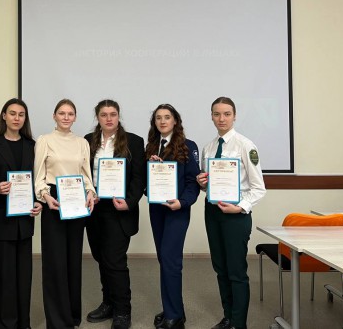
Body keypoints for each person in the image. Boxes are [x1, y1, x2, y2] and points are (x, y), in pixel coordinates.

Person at [197, 97, 266, 329]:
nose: (222, 118)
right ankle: (228, 316)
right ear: (211, 117)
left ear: (234, 116)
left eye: (227, 114)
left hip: (236, 215)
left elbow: (258, 188)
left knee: (236, 270)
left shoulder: (246, 146)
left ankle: (238, 323)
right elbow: (209, 185)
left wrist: (240, 207)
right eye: (217, 114)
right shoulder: (208, 148)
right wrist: (202, 183)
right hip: (212, 212)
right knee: (220, 268)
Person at [0, 98, 42, 329]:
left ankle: (22, 323)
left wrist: (38, 202)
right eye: (12, 113)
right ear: (4, 116)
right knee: (2, 277)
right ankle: (1, 324)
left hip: (24, 221)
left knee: (23, 277)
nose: (17, 118)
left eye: (21, 114)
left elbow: (37, 180)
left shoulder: (32, 145)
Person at [33, 98, 96, 329]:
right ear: (54, 116)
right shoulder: (44, 140)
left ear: (75, 117)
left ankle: (72, 315)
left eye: (70, 113)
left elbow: (86, 174)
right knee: (55, 261)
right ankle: (57, 320)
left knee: (72, 259)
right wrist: (44, 195)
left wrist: (90, 192)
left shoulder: (82, 143)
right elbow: (38, 175)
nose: (66, 117)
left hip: (77, 200)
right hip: (55, 200)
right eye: (62, 113)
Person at [84, 99, 145, 329]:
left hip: (119, 209)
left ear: (119, 116)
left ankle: (122, 311)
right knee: (101, 257)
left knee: (115, 260)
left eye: (113, 114)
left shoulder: (133, 141)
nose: (109, 118)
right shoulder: (88, 141)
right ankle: (108, 303)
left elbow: (138, 177)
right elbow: (83, 173)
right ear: (98, 118)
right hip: (94, 208)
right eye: (104, 115)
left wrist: (129, 202)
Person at [146, 104, 200, 329]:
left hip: (177, 210)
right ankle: (173, 308)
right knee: (164, 259)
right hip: (157, 210)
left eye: (167, 117)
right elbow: (146, 183)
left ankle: (174, 317)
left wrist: (182, 202)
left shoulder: (188, 146)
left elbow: (193, 182)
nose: (162, 121)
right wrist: (152, 170)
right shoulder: (151, 146)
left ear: (175, 120)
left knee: (171, 260)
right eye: (158, 118)